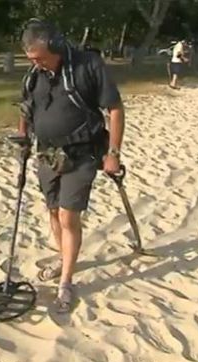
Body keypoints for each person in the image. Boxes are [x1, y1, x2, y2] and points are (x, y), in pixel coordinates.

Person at [17, 19, 125, 313]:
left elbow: (115, 109)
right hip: (47, 155)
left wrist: (113, 153)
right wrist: (23, 139)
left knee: (68, 217)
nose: (35, 63)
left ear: (55, 47)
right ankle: (64, 256)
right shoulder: (34, 74)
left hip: (82, 155)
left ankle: (66, 281)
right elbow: (26, 108)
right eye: (31, 59)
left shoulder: (88, 66)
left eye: (39, 57)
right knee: (53, 211)